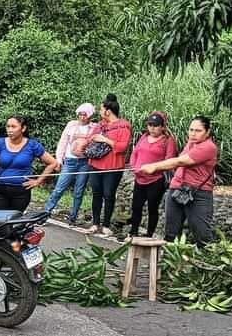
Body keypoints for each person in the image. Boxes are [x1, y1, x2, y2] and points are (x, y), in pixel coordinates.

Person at [138, 116, 218, 246]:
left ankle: (207, 258)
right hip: (177, 189)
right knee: (170, 234)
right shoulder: (191, 143)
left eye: (198, 131)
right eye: (191, 130)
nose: (193, 134)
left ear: (207, 132)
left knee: (202, 234)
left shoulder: (208, 147)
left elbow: (180, 161)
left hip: (198, 193)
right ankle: (169, 258)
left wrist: (154, 166)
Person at [0, 115, 59, 212]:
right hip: (0, 191)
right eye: (8, 126)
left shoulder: (32, 145)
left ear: (23, 128)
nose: (10, 130)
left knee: (15, 219)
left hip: (21, 193)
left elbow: (53, 163)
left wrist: (38, 181)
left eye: (13, 127)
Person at [85, 95, 132, 237]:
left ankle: (106, 225)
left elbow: (122, 147)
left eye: (101, 109)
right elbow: (90, 138)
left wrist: (105, 140)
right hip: (95, 164)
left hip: (113, 167)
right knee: (96, 194)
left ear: (108, 111)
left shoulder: (123, 126)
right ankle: (95, 223)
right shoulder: (100, 125)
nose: (100, 112)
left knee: (109, 194)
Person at [127, 112, 177, 238]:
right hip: (140, 178)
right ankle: (133, 231)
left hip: (155, 179)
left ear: (162, 127)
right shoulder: (144, 137)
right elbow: (135, 153)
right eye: (150, 125)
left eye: (156, 125)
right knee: (136, 206)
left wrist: (154, 168)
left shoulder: (168, 141)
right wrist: (134, 167)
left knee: (152, 208)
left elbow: (169, 161)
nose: (152, 128)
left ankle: (149, 234)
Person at [44, 103, 95, 223]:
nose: (82, 117)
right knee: (59, 188)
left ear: (90, 115)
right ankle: (45, 213)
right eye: (80, 114)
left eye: (85, 115)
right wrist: (59, 159)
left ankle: (73, 217)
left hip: (84, 162)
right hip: (69, 161)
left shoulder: (94, 127)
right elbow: (63, 142)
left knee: (79, 191)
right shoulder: (71, 125)